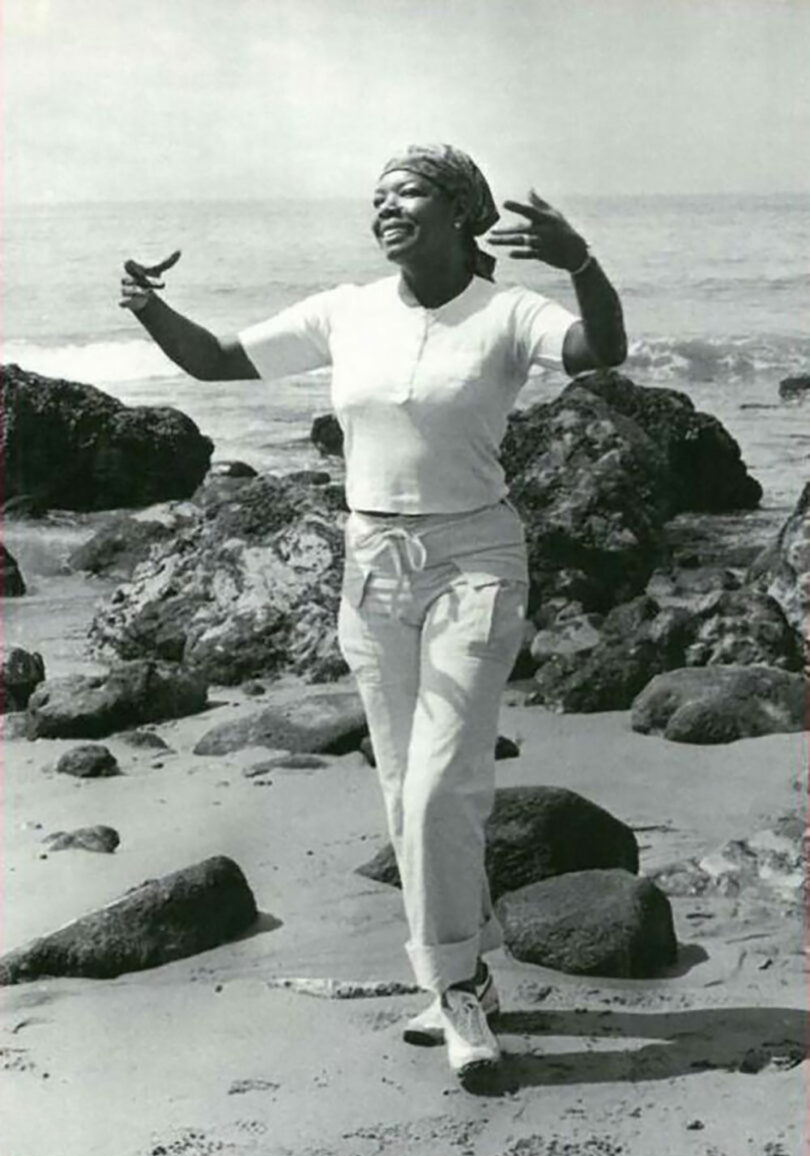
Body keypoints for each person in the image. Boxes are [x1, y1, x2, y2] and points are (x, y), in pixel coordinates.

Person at [120, 143, 626, 1092]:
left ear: (462, 211)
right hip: (372, 565)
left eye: (408, 193)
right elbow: (219, 361)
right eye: (377, 198)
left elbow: (605, 353)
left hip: (476, 558)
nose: (385, 209)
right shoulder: (345, 310)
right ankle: (463, 960)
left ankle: (458, 991)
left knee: (442, 782)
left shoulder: (507, 311)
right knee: (405, 787)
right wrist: (151, 308)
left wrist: (582, 264)